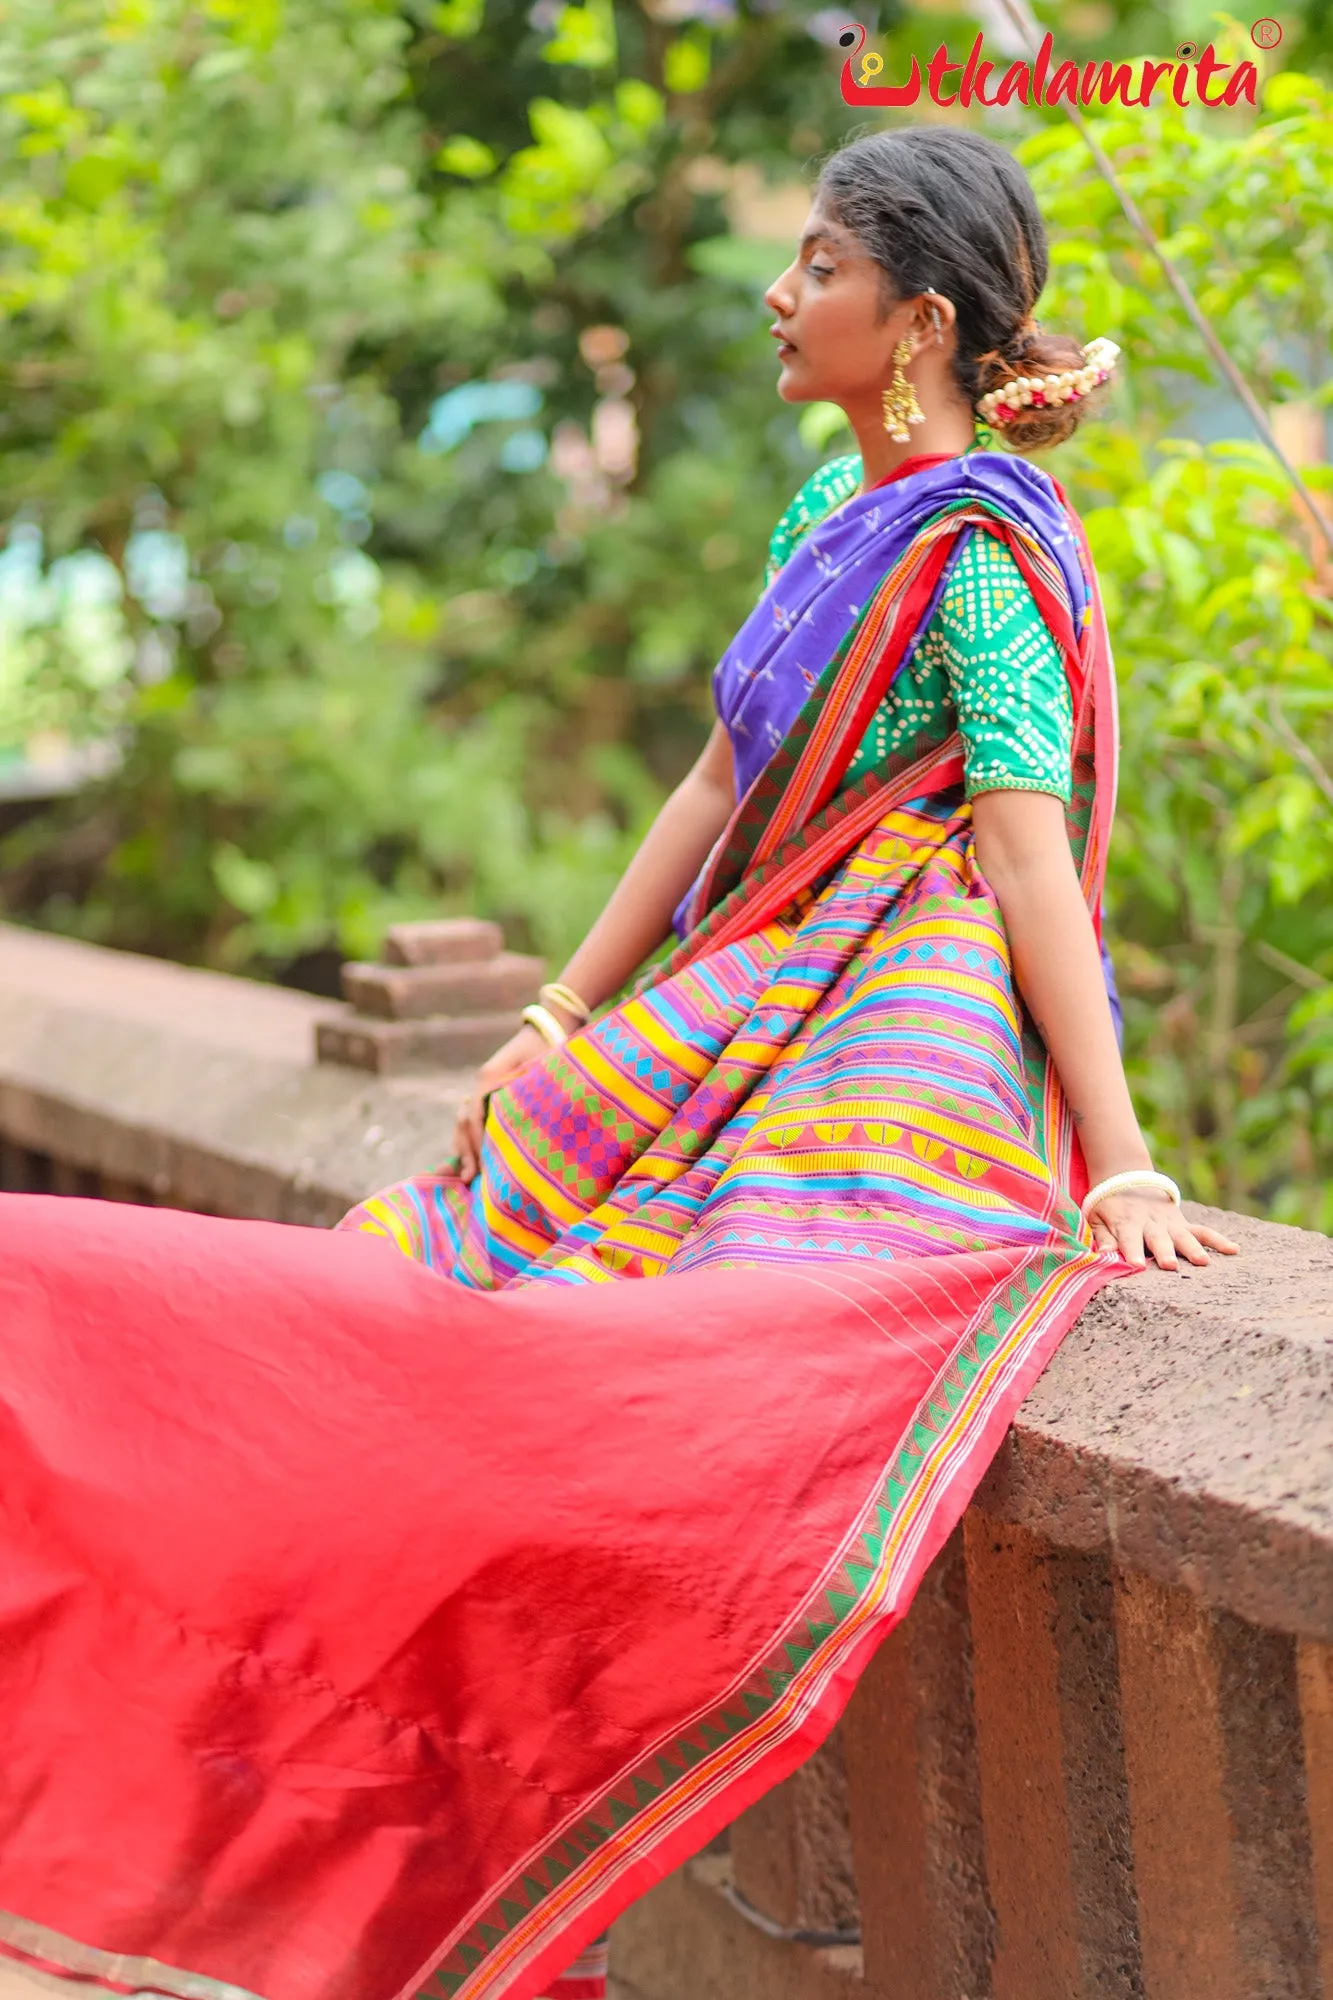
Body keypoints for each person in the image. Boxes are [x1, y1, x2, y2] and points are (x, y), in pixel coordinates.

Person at [0, 128, 1235, 2000]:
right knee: (432, 1307)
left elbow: (1022, 841)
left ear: (914, 317)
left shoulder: (981, 559)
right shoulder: (828, 519)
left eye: (814, 264)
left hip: (892, 1009)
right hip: (740, 989)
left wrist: (1121, 1154)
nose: (775, 291)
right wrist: (563, 1013)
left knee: (666, 1374)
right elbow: (722, 782)